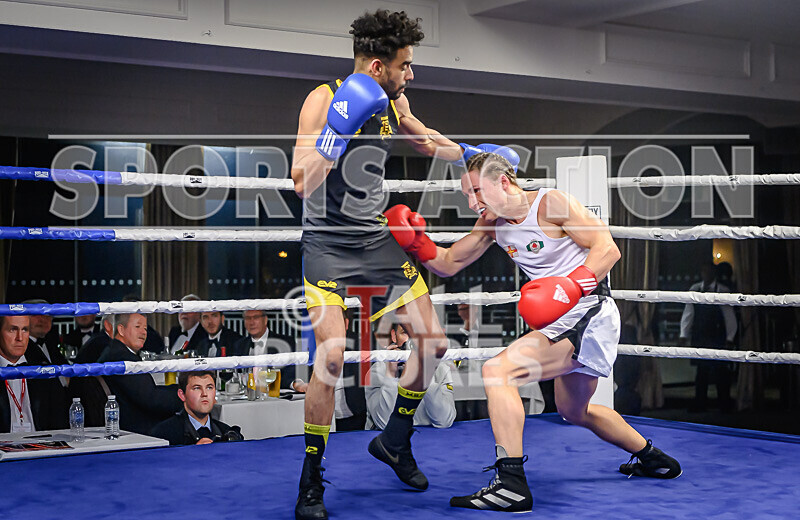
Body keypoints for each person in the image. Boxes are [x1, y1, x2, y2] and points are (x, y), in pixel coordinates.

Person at [391, 152, 681, 512]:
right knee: (574, 410)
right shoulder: (492, 224)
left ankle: (511, 484)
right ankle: (653, 458)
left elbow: (606, 247)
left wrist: (569, 288)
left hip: (588, 311)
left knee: (498, 371)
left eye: (478, 192)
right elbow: (449, 262)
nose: (472, 202)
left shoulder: (550, 203)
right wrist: (415, 242)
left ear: (504, 182)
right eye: (467, 195)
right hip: (563, 317)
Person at [289, 9, 475, 519]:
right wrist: (338, 131)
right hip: (327, 243)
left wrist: (478, 155)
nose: (410, 74)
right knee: (330, 355)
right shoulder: (323, 99)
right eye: (405, 65)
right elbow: (301, 180)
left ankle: (395, 438)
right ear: (378, 66)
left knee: (433, 342)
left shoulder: (395, 102)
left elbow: (428, 140)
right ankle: (311, 480)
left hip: (375, 240)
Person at [97, 313, 182, 435]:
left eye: (145, 328)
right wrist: (184, 394)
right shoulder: (123, 358)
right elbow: (152, 399)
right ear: (121, 329)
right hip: (137, 427)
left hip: (128, 420)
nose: (143, 332)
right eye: (137, 327)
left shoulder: (113, 351)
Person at [366, 322, 455, 429]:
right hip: (392, 442)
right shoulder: (377, 371)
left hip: (430, 440)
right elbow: (384, 424)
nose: (413, 339)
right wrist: (391, 375)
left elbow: (445, 421)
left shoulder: (441, 369)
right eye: (405, 333)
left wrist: (425, 375)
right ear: (394, 336)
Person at [679, 261, 737, 412]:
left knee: (721, 371)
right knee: (701, 371)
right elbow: (688, 314)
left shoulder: (722, 291)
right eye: (703, 271)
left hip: (717, 335)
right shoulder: (695, 289)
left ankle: (724, 403)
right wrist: (683, 334)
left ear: (714, 273)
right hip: (700, 335)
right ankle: (700, 403)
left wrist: (730, 338)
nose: (705, 274)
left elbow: (728, 315)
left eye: (708, 271)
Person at [0, 315, 68, 433]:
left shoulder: (43, 371)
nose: (19, 338)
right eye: (12, 329)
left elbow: (60, 421)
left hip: (41, 447)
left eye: (25, 330)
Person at [150, 371, 243, 445]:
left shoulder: (226, 431)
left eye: (209, 388)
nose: (204, 394)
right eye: (197, 388)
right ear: (182, 395)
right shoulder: (163, 434)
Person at [232, 310, 295, 389]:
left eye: (256, 317)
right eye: (248, 318)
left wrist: (294, 384)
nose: (251, 322)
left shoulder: (285, 342)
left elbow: (289, 375)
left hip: (275, 395)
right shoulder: (240, 344)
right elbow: (236, 375)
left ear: (265, 320)